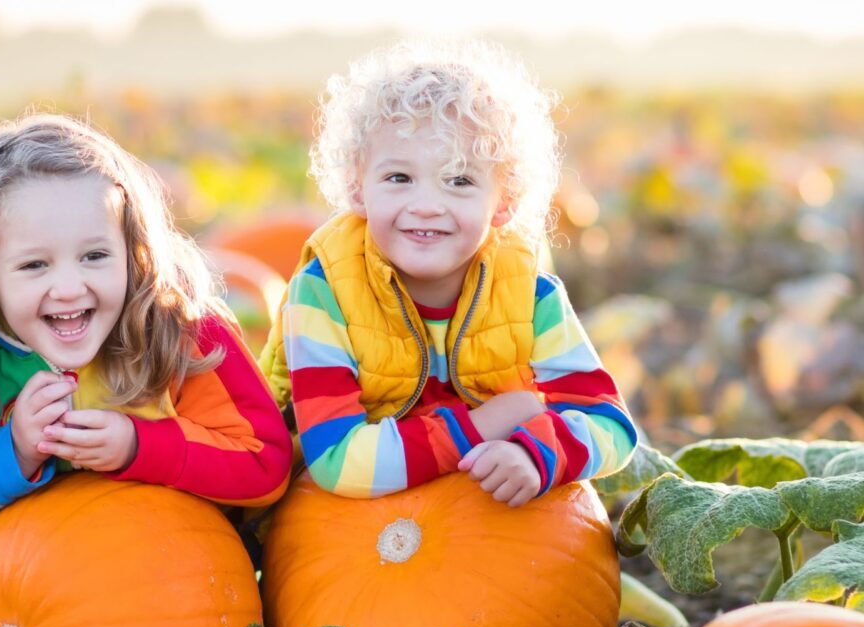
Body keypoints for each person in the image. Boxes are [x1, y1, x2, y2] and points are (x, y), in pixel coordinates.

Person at [0, 114, 292, 627]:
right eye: (34, 265)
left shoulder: (182, 338)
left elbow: (266, 463)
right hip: (25, 607)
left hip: (172, 600)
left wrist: (140, 446)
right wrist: (14, 452)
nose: (70, 287)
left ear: (133, 248)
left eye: (95, 255)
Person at [259, 40, 636, 506]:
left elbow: (611, 424)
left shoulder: (530, 295)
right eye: (399, 178)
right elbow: (337, 460)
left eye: (459, 181)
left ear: (506, 202)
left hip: (489, 527)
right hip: (348, 533)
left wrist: (536, 454)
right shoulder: (323, 293)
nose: (426, 206)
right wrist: (483, 425)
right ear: (357, 188)